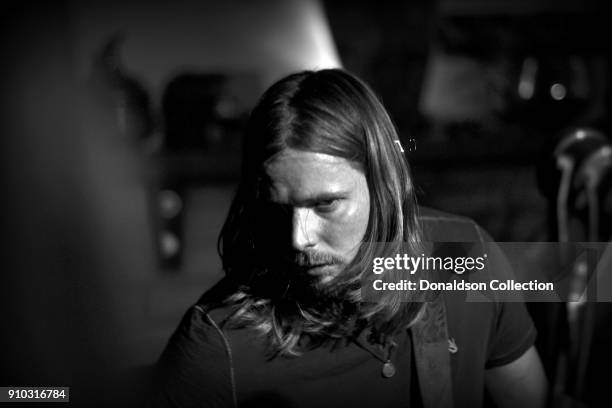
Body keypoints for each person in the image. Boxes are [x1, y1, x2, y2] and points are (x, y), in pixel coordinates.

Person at [148, 69, 548, 408]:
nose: (298, 239)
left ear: (382, 184)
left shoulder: (464, 252)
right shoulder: (216, 345)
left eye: (326, 204)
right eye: (278, 208)